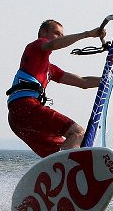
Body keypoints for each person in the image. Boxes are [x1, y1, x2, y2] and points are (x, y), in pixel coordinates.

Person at [6, 19, 106, 158]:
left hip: (17, 119)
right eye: (57, 33)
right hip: (26, 107)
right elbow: (53, 44)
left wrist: (111, 80)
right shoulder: (35, 46)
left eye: (62, 34)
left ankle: (60, 176)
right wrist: (87, 34)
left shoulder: (50, 70)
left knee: (59, 150)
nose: (61, 37)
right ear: (43, 32)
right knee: (78, 133)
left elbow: (83, 82)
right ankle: (68, 168)